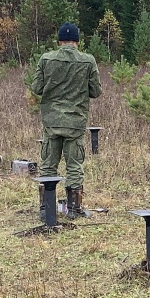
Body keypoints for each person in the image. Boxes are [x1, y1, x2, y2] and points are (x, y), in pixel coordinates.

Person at [26, 22, 101, 218]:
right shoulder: (88, 60)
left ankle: (46, 209)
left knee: (48, 164)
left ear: (59, 41)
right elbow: (96, 91)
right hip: (75, 122)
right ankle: (74, 209)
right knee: (74, 165)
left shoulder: (46, 59)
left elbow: (36, 88)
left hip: (51, 121)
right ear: (77, 41)